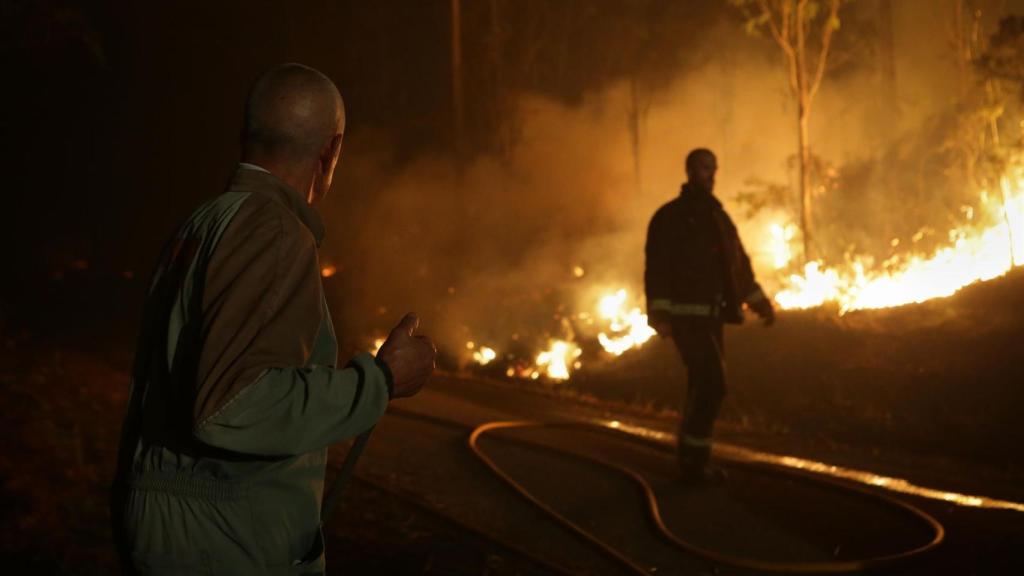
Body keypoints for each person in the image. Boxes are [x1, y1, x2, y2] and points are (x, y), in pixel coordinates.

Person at [111, 63, 436, 575]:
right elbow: (232, 406)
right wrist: (380, 380)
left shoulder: (205, 221)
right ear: (331, 152)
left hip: (177, 524)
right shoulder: (273, 231)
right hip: (221, 542)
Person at [644, 148, 774, 483]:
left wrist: (758, 302)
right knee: (714, 385)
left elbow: (738, 266)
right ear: (689, 171)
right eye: (705, 169)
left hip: (713, 318)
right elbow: (656, 269)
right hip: (687, 320)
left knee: (702, 385)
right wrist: (660, 314)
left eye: (714, 169)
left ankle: (691, 460)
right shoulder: (670, 218)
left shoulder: (718, 217)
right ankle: (694, 463)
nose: (711, 175)